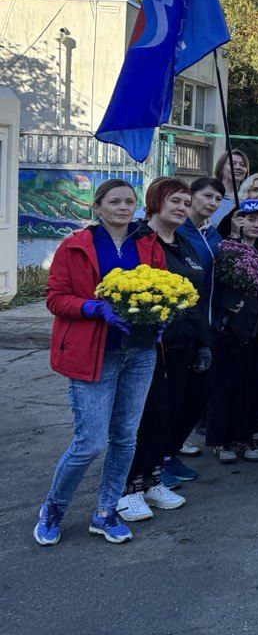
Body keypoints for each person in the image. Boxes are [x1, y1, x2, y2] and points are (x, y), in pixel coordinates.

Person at [34, 179, 167, 546]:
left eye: (129, 201)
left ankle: (106, 511)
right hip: (94, 354)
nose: (124, 207)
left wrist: (161, 317)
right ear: (98, 207)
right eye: (115, 201)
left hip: (139, 354)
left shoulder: (147, 244)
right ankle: (53, 509)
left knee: (125, 438)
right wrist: (94, 307)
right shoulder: (75, 246)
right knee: (90, 442)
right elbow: (55, 298)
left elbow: (161, 287)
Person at [119, 179, 211, 521]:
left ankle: (154, 476)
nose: (181, 207)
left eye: (186, 202)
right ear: (156, 201)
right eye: (175, 200)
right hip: (151, 344)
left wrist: (204, 342)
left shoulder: (186, 244)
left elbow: (196, 298)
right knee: (150, 415)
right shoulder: (140, 241)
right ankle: (130, 488)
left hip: (186, 343)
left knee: (173, 413)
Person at [206, 199, 258, 464]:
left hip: (256, 331)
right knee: (225, 387)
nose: (255, 225)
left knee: (251, 387)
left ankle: (245, 436)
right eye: (250, 219)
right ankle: (221, 441)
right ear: (239, 220)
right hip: (230, 330)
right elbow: (218, 287)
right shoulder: (227, 249)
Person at [173, 175, 225, 460]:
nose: (213, 203)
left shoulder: (213, 234)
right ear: (191, 196)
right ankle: (165, 454)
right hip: (183, 325)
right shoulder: (179, 231)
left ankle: (174, 443)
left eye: (218, 198)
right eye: (207, 196)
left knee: (197, 392)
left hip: (210, 324)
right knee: (178, 394)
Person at [209, 149, 250, 227]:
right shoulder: (210, 195)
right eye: (232, 163)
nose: (238, 167)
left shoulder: (249, 197)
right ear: (221, 168)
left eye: (242, 165)